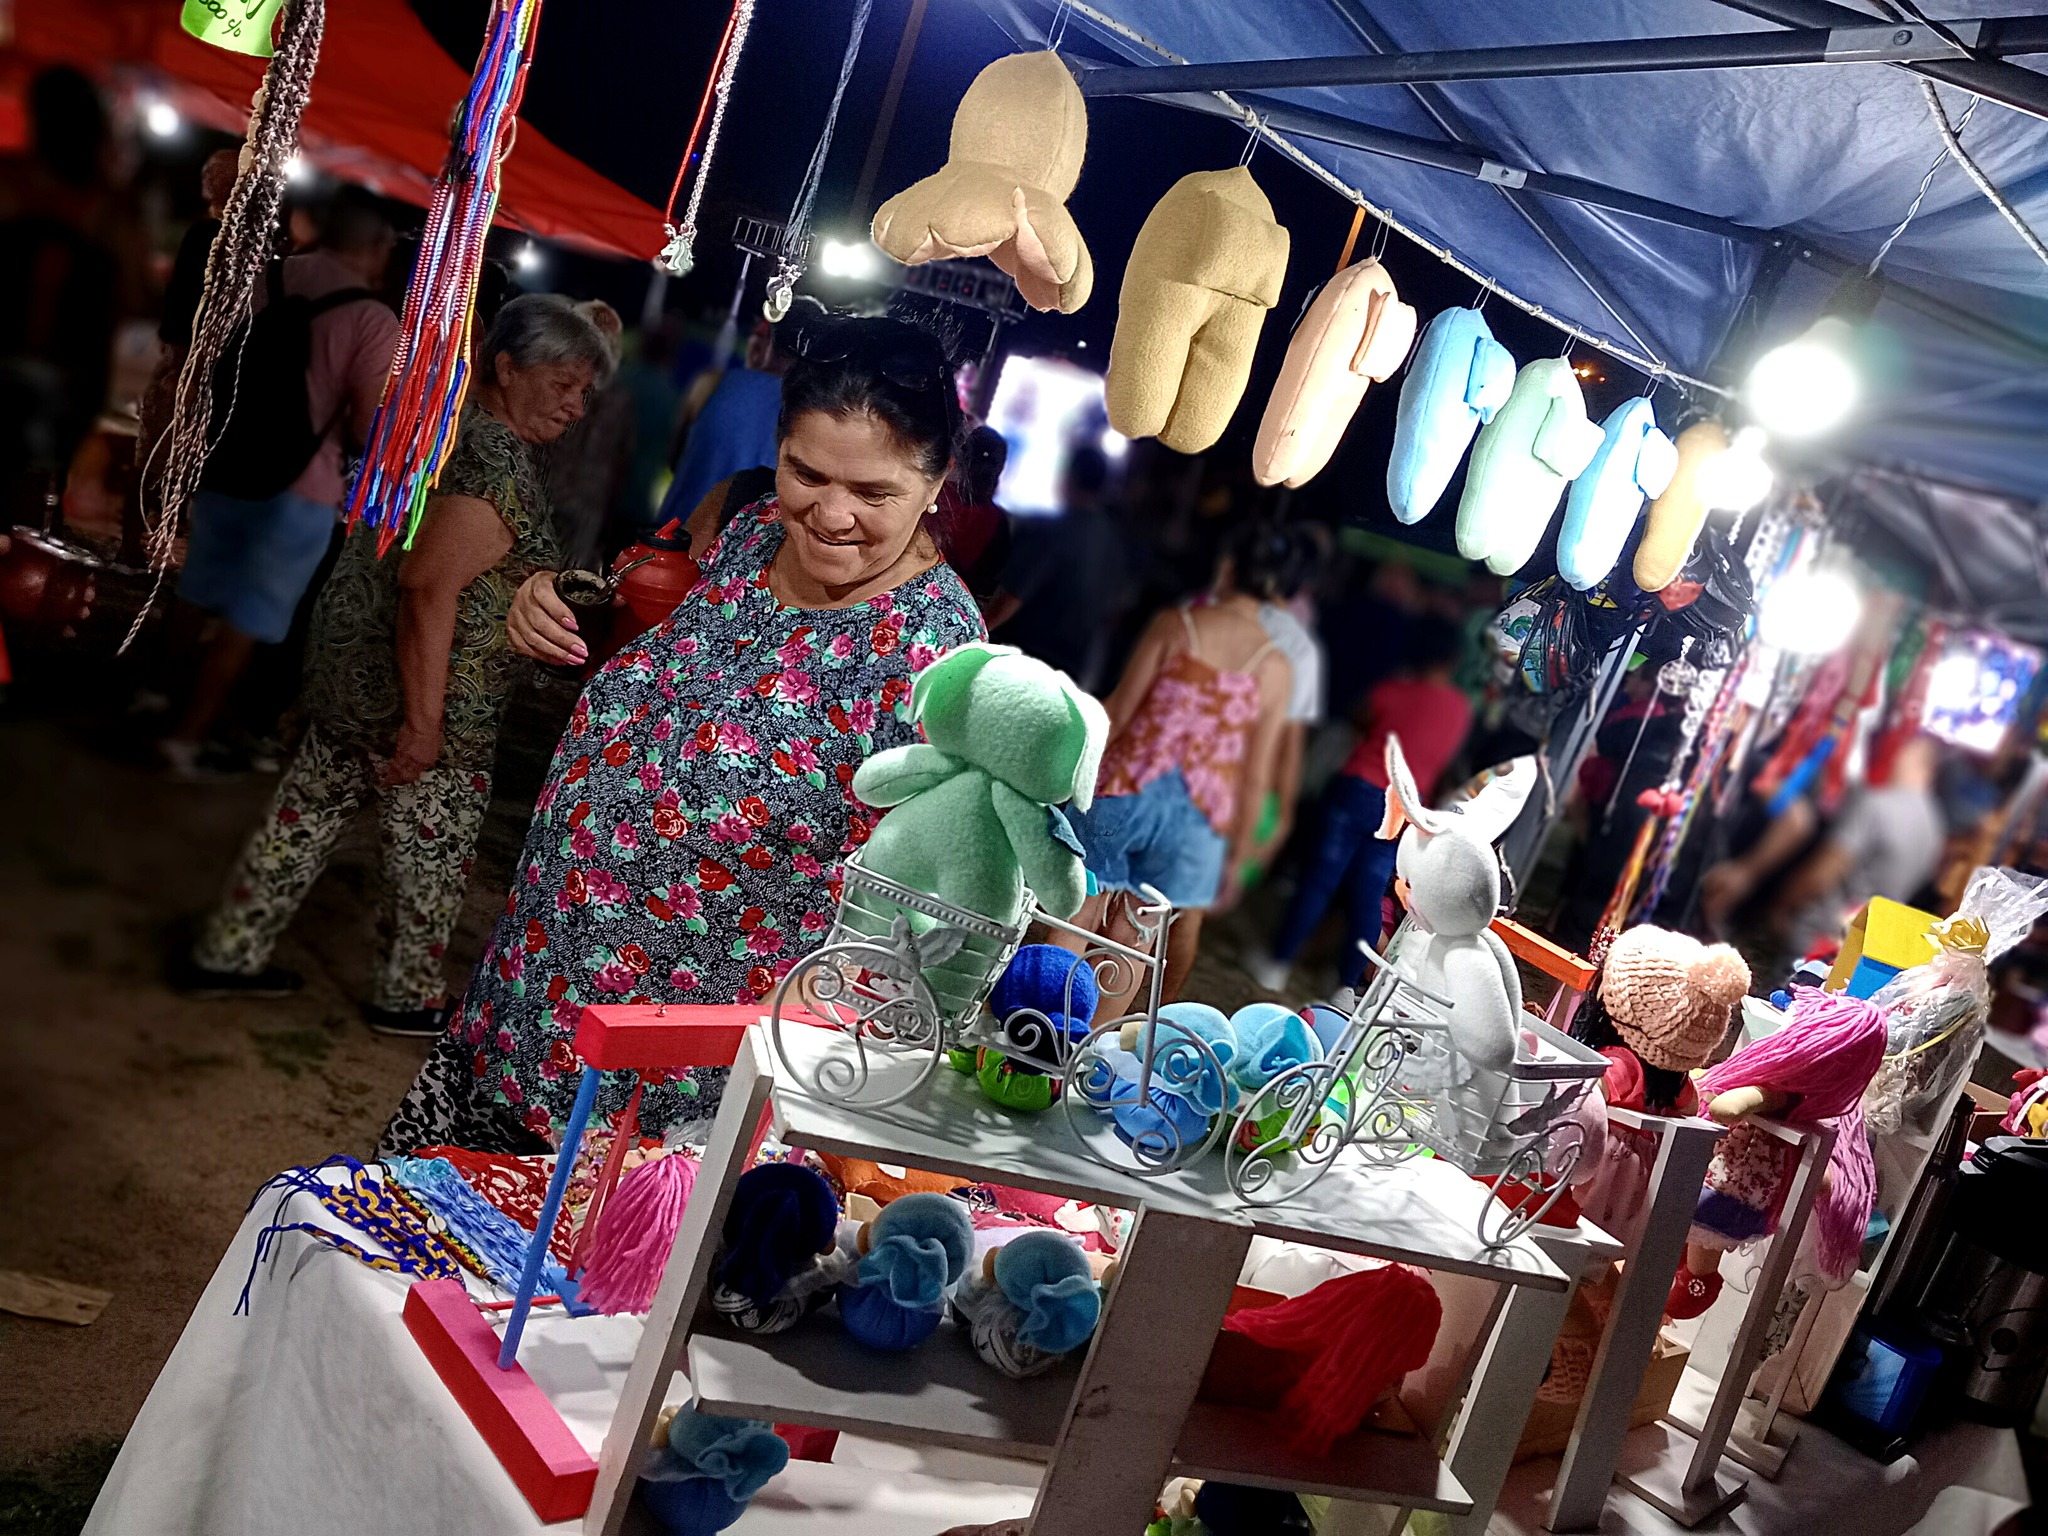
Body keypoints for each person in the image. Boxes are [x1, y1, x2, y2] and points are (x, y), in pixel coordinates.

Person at [378, 312, 985, 1152]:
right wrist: (549, 604)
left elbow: (931, 930)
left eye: (873, 493)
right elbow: (667, 673)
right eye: (806, 472)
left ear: (937, 481)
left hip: (660, 1106)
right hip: (523, 1005)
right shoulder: (749, 531)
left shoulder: (939, 660)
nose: (830, 515)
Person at [171, 295, 614, 1033]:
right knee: (429, 857)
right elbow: (426, 587)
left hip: (353, 673)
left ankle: (227, 954)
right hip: (422, 699)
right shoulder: (494, 461)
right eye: (564, 384)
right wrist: (425, 723)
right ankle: (406, 997)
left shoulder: (438, 424)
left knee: (301, 820)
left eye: (585, 391)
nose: (576, 406)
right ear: (507, 367)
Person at [158, 188, 401, 777]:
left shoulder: (270, 277)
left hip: (230, 459)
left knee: (195, 591)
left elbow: (215, 359)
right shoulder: (373, 319)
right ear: (376, 246)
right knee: (249, 616)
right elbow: (364, 426)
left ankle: (154, 701)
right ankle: (185, 739)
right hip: (302, 486)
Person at [1064, 522, 1295, 1007]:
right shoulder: (1276, 669)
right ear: (1278, 592)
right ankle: (1090, 1051)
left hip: (1126, 790)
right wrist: (1239, 857)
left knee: (1078, 914)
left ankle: (1034, 1032)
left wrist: (1070, 770)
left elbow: (1119, 711)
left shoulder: (1179, 625)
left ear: (1227, 569)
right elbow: (1255, 776)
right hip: (1196, 823)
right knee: (1135, 938)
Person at [1246, 613, 1471, 999]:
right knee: (1368, 895)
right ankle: (1345, 987)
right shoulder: (1459, 710)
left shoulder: (1391, 691)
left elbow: (1359, 718)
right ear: (1452, 660)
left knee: (1320, 880)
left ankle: (1277, 965)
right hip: (1403, 806)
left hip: (1359, 789)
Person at [1704, 734, 1947, 963]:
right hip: (1858, 946)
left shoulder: (1878, 804)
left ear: (1918, 760)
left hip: (1816, 935)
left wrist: (1780, 908)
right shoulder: (1936, 831)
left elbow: (1826, 869)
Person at [651, 316, 788, 534]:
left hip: (673, 529)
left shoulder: (709, 383)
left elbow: (672, 456)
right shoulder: (799, 413)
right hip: (732, 544)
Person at [545, 299, 630, 571]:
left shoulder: (555, 382)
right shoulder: (619, 399)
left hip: (547, 502)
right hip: (583, 518)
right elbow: (618, 470)